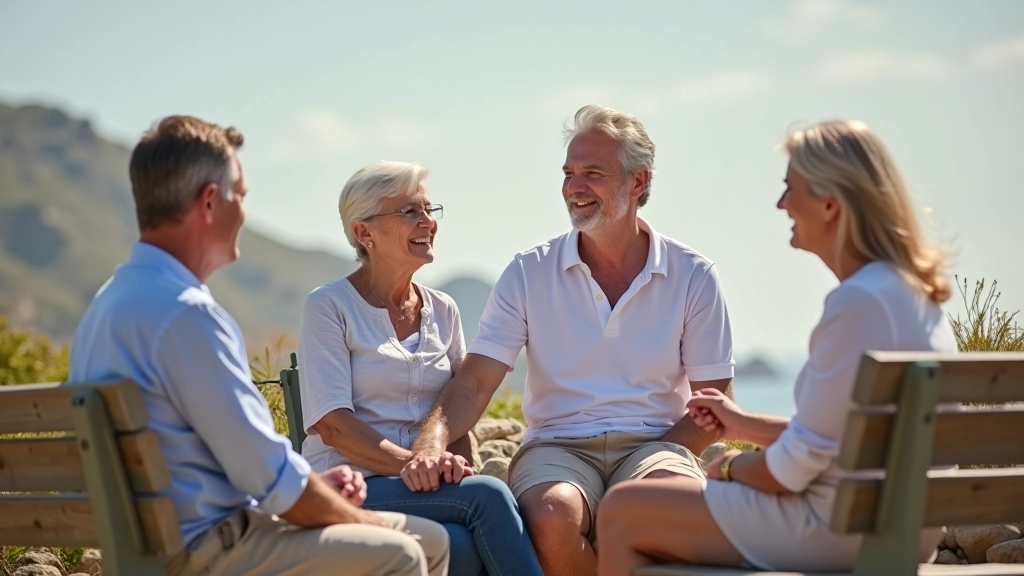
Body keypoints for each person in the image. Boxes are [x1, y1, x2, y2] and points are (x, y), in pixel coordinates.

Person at [68, 117, 449, 576]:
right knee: (404, 551)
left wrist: (310, 486)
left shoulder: (108, 305)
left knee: (428, 538)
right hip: (211, 548)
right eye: (241, 196)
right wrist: (359, 519)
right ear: (210, 202)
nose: (245, 212)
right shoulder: (187, 315)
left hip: (158, 542)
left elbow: (232, 461)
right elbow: (268, 477)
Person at [595, 119, 955, 574]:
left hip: (834, 528)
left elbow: (787, 473)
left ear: (829, 203)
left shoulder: (856, 303)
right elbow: (841, 437)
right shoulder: (910, 295)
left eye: (791, 189)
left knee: (623, 509)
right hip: (901, 523)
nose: (781, 203)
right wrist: (741, 424)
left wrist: (726, 467)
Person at [401, 105, 737, 576]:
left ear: (638, 182)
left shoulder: (693, 275)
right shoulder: (528, 271)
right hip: (557, 448)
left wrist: (639, 475)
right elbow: (476, 381)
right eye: (569, 173)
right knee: (551, 516)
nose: (574, 188)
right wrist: (430, 444)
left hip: (657, 444)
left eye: (592, 173)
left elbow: (714, 399)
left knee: (666, 504)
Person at [298, 161, 543, 576]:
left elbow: (456, 410)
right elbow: (333, 425)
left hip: (424, 485)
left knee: (464, 544)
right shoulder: (328, 306)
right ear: (364, 233)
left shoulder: (443, 309)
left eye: (430, 210)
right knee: (489, 497)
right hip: (353, 484)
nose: (428, 222)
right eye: (410, 212)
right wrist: (414, 465)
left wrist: (458, 468)